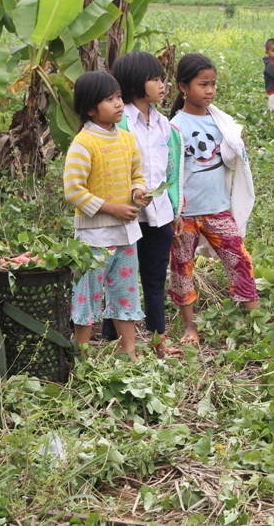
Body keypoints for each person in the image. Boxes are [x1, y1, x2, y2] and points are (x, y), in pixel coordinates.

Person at [168, 53, 259, 345]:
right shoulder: (175, 126)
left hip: (218, 209)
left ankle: (256, 319)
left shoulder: (221, 122)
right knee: (182, 269)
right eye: (203, 84)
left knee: (240, 260)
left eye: (213, 84)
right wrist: (174, 212)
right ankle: (189, 325)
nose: (210, 90)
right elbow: (171, 173)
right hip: (186, 215)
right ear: (184, 87)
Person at [98, 51, 185, 357]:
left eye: (162, 79)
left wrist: (176, 210)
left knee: (154, 278)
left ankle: (159, 339)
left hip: (159, 215)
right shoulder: (119, 123)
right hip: (127, 215)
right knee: (120, 277)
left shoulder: (166, 126)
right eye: (155, 79)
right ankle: (111, 338)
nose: (162, 85)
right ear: (135, 84)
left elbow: (172, 172)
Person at [64, 71, 150, 356]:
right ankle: (82, 356)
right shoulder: (83, 143)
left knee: (126, 294)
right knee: (87, 296)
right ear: (91, 109)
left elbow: (136, 175)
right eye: (109, 99)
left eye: (119, 97)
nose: (118, 103)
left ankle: (129, 353)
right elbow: (73, 191)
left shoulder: (127, 139)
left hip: (126, 235)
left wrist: (138, 193)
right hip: (93, 238)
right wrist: (113, 208)